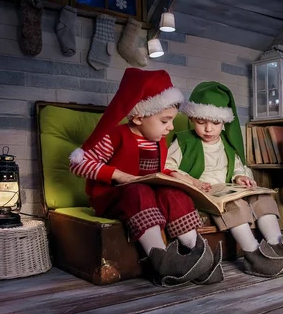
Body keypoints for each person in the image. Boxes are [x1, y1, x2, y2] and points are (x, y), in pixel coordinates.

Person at [69, 68, 223, 287]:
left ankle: (196, 252)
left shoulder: (158, 140)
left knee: (173, 193)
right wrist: (119, 175)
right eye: (165, 121)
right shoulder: (115, 136)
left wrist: (186, 179)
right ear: (139, 116)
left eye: (171, 121)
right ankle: (159, 256)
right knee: (138, 191)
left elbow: (158, 171)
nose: (170, 127)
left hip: (147, 194)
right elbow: (79, 164)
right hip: (115, 197)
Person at [165, 81, 283, 278]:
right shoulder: (184, 140)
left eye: (215, 123)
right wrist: (191, 180)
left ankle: (276, 244)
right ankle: (252, 253)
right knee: (235, 206)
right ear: (192, 119)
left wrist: (240, 177)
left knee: (263, 198)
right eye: (201, 122)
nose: (208, 129)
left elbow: (238, 165)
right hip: (203, 190)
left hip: (227, 187)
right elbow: (168, 167)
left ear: (224, 123)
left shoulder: (226, 144)